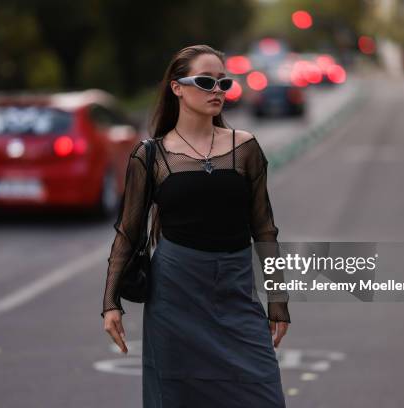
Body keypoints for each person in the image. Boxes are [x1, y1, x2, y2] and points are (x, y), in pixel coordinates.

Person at [101, 44, 290, 407]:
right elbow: (128, 232)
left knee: (265, 395)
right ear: (177, 88)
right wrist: (111, 303)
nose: (218, 90)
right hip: (175, 297)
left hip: (235, 291)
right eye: (206, 82)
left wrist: (278, 299)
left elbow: (264, 228)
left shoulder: (245, 147)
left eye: (224, 83)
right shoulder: (151, 155)